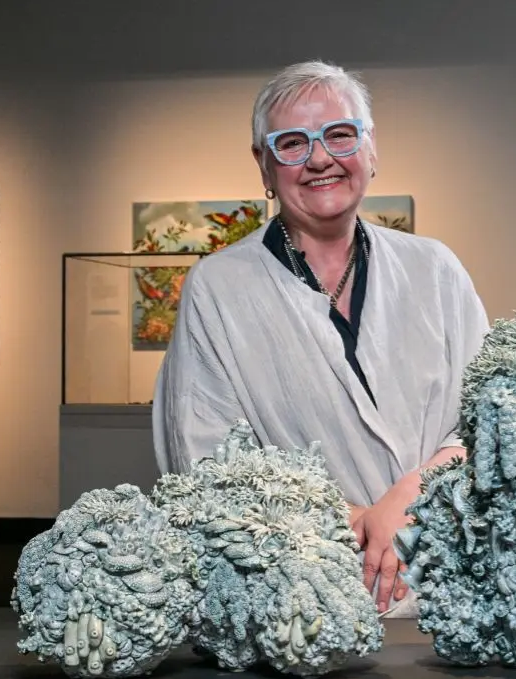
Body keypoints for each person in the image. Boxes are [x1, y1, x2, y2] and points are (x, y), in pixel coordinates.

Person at [152, 60, 490, 615]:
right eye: (291, 143)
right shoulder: (218, 288)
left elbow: (492, 419)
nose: (319, 159)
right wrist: (358, 519)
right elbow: (205, 460)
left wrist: (409, 497)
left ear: (371, 149)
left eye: (339, 134)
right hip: (301, 599)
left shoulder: (436, 269)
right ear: (264, 166)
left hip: (454, 591)